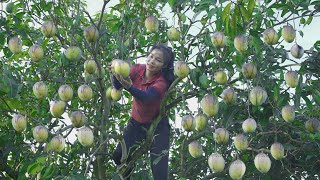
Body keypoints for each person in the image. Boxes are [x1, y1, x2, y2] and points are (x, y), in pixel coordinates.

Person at [110, 43, 175, 180]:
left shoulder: (162, 82)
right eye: (151, 57)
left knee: (159, 173)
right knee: (118, 157)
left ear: (163, 65)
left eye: (158, 60)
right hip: (136, 124)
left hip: (158, 126)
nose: (152, 61)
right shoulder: (137, 69)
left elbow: (146, 98)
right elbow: (117, 86)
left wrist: (130, 87)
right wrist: (115, 74)